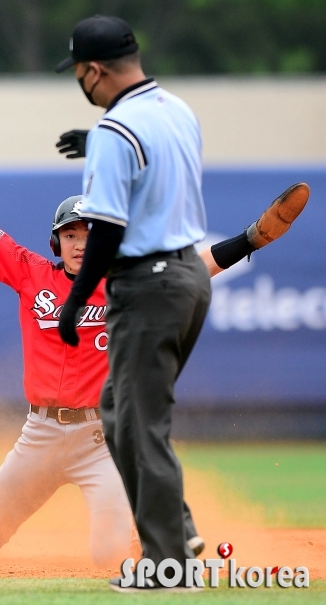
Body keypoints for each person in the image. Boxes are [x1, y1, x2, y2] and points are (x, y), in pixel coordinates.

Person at [0, 122, 308, 569]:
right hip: (39, 437)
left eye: (91, 235)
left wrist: (250, 239)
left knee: (108, 556)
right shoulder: (33, 274)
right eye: (71, 234)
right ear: (58, 240)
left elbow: (196, 266)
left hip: (100, 441)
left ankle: (142, 529)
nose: (79, 243)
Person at [54, 15, 309, 591]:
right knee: (119, 411)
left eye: (77, 72)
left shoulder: (117, 131)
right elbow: (156, 160)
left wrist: (73, 302)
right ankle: (179, 529)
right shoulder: (176, 109)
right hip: (188, 276)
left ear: (94, 70)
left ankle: (170, 565)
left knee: (140, 425)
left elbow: (108, 228)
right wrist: (100, 141)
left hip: (147, 284)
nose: (79, 83)